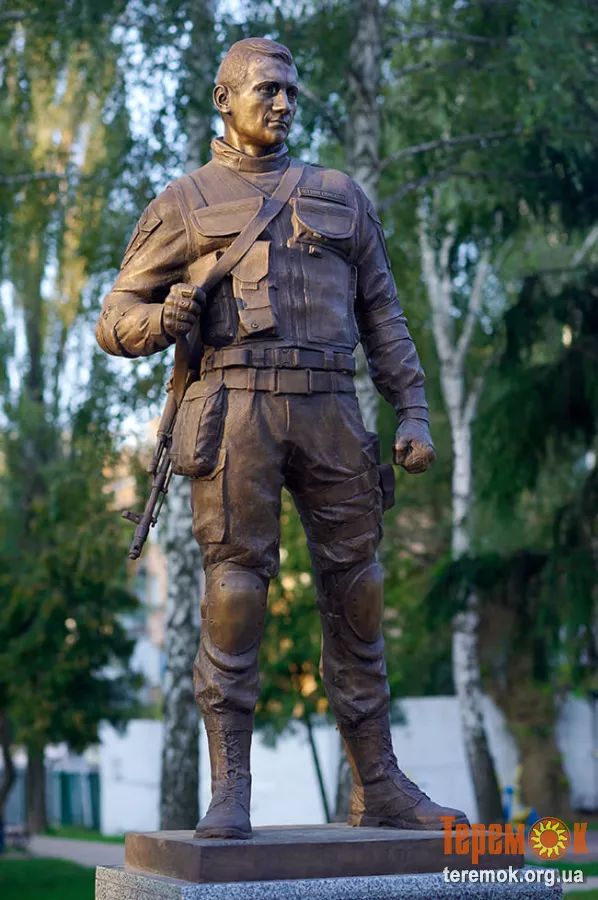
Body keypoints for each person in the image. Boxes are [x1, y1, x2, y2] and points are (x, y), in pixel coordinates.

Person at [96, 37, 468, 840]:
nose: (283, 102)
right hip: (237, 412)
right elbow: (114, 317)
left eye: (291, 90)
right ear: (225, 100)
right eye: (266, 88)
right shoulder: (185, 201)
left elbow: (384, 313)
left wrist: (412, 410)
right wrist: (161, 320)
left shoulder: (341, 194)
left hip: (334, 408)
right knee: (235, 593)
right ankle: (230, 790)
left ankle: (378, 786)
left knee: (360, 593)